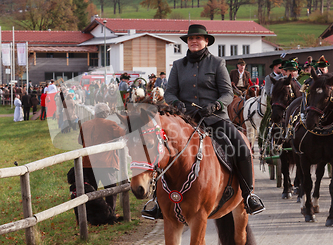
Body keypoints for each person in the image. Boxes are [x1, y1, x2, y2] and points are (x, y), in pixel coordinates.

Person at [142, 23, 265, 220]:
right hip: (184, 121)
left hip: (214, 119)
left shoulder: (217, 63)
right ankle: (157, 202)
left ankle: (248, 194)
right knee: (161, 148)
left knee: (241, 145)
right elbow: (171, 92)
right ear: (187, 42)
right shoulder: (178, 65)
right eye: (191, 38)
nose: (194, 41)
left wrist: (215, 105)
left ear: (206, 41)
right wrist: (175, 103)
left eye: (198, 38)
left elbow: (227, 93)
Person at [78, 103, 125, 219]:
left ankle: (92, 215)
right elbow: (123, 134)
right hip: (106, 162)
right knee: (111, 189)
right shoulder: (111, 124)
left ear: (95, 113)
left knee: (91, 190)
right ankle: (110, 213)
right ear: (107, 113)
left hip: (88, 162)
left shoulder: (85, 124)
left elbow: (80, 141)